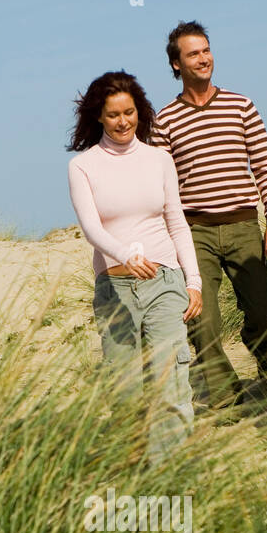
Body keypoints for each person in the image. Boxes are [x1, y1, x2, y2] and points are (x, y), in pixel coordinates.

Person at [67, 70, 202, 464]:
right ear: (99, 118)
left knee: (169, 382)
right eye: (113, 115)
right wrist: (125, 255)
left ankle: (172, 476)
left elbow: (176, 221)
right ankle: (132, 473)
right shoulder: (83, 166)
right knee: (125, 390)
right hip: (116, 289)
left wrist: (193, 281)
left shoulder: (159, 159)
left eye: (129, 113)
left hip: (165, 282)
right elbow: (92, 228)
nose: (123, 122)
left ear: (139, 112)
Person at [149, 21, 267, 409]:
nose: (204, 58)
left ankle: (266, 358)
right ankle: (226, 395)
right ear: (176, 64)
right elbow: (161, 190)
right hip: (195, 233)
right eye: (193, 53)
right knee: (199, 318)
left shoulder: (241, 105)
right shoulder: (164, 121)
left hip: (243, 224)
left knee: (265, 305)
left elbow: (264, 166)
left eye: (206, 50)